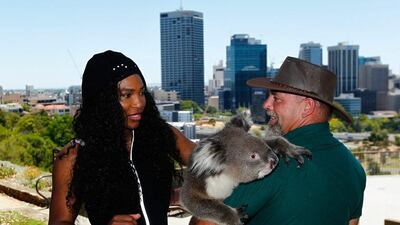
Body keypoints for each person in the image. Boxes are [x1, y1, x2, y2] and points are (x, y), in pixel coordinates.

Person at [193, 56, 366, 225]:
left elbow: (205, 223)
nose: (266, 105)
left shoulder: (271, 162)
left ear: (307, 107)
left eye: (277, 98)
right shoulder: (353, 167)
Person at [48, 50, 195, 225]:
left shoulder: (159, 134)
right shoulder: (74, 156)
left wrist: (188, 195)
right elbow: (59, 222)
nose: (139, 103)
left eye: (141, 93)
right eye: (126, 95)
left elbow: (214, 162)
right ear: (102, 100)